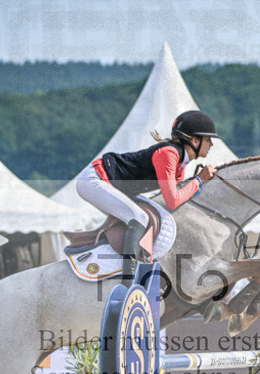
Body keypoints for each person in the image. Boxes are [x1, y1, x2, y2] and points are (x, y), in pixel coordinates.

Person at [75, 110, 220, 280]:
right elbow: (173, 201)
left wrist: (198, 182)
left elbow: (178, 198)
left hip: (114, 185)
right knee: (138, 216)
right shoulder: (169, 154)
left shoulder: (180, 165)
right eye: (208, 139)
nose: (211, 145)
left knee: (151, 213)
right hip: (95, 180)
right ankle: (129, 278)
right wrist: (198, 180)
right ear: (195, 140)